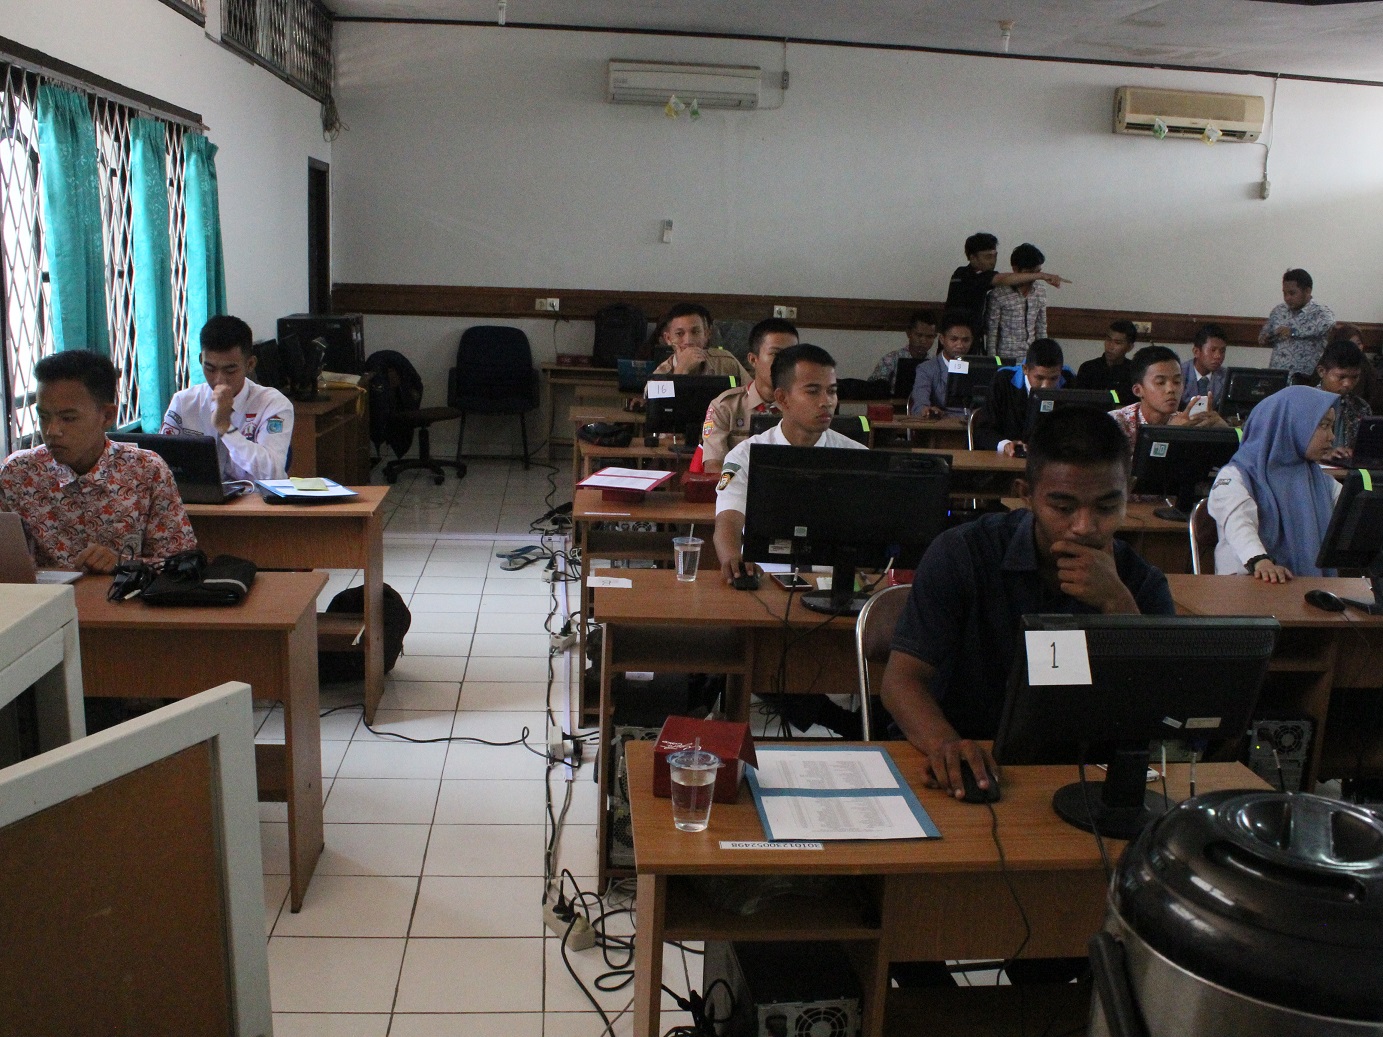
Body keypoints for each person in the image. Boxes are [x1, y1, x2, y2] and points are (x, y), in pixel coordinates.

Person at [881, 406, 1174, 796]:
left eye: (1106, 507)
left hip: (1084, 779)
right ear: (1027, 495)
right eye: (1063, 507)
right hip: (969, 759)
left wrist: (1119, 606)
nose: (1084, 526)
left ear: (1129, 492)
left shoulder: (1141, 584)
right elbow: (901, 680)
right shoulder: (964, 554)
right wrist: (946, 744)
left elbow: (1162, 711)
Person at [0, 350, 197, 573]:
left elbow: (183, 564)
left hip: (127, 594)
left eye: (68, 418)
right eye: (44, 417)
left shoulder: (146, 471)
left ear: (107, 416)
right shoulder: (17, 474)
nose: (52, 431)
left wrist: (123, 563)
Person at [713, 344, 865, 582]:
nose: (826, 402)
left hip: (833, 582)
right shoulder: (745, 456)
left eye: (832, 391)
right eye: (813, 391)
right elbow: (728, 521)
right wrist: (733, 559)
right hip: (766, 579)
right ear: (782, 398)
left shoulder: (857, 457)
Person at [1206, 385, 1341, 582]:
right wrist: (1260, 560)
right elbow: (1239, 523)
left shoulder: (1318, 478)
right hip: (1247, 583)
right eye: (1323, 425)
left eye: (1331, 426)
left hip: (1303, 586)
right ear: (1290, 425)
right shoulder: (1236, 476)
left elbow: (1352, 511)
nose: (1332, 436)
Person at [161, 315, 294, 481]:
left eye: (230, 370)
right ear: (201, 360)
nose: (219, 380)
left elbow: (273, 473)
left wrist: (225, 427)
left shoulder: (273, 404)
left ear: (250, 364)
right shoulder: (183, 402)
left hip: (254, 496)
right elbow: (161, 464)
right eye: (210, 368)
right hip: (197, 496)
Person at [698, 317, 798, 473]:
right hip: (738, 486)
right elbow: (714, 467)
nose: (785, 363)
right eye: (775, 354)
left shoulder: (803, 407)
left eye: (792, 356)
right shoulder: (725, 406)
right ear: (753, 359)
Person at [944, 232, 1067, 346]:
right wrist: (1042, 276)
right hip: (955, 340)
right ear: (972, 258)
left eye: (995, 256)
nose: (993, 262)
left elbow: (1041, 326)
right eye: (988, 257)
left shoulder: (986, 276)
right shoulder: (964, 274)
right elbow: (1005, 279)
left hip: (973, 338)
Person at [1109, 345, 1228, 462]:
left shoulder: (1187, 422)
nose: (1171, 389)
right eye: (1160, 382)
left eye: (1177, 381)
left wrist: (1225, 433)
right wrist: (1169, 435)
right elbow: (1117, 471)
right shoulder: (1115, 423)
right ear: (1138, 390)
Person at [973, 337, 1071, 455]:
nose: (1046, 386)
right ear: (1025, 369)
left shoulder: (1070, 381)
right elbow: (983, 431)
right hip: (1009, 458)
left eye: (1054, 378)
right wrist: (1005, 444)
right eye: (1039, 378)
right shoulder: (1003, 381)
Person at [1260, 269, 1335, 377]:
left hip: (1305, 378)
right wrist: (1266, 338)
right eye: (1284, 293)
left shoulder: (1321, 312)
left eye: (1292, 293)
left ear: (1308, 291)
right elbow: (1263, 336)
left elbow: (1328, 324)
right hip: (1277, 376)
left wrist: (1293, 332)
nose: (1287, 298)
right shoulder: (1278, 311)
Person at [985, 243, 1052, 362]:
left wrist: (1042, 358)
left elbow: (1041, 327)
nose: (1034, 277)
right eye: (1030, 273)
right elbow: (992, 333)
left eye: (1038, 272)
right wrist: (994, 363)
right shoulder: (998, 294)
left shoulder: (1040, 291)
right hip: (1005, 359)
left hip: (1031, 358)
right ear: (1015, 269)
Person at [650, 302, 749, 380]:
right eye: (679, 333)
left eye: (695, 332)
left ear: (707, 334)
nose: (688, 341)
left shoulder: (726, 361)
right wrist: (681, 370)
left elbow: (751, 393)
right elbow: (661, 400)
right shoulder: (659, 376)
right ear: (668, 338)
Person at [906, 312, 974, 417]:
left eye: (966, 340)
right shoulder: (926, 369)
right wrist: (928, 411)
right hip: (941, 424)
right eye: (954, 339)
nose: (960, 345)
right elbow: (919, 404)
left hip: (975, 423)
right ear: (942, 339)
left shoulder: (977, 367)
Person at [1313, 339, 1372, 460]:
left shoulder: (1361, 407)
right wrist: (1323, 455)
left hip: (1346, 469)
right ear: (1322, 371)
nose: (1347, 384)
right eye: (1341, 377)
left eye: (1355, 377)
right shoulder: (1304, 403)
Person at [1075, 320, 1138, 405]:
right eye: (1108, 340)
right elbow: (1078, 402)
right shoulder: (1088, 368)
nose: (1110, 346)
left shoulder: (1134, 372)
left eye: (1117, 343)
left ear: (1129, 347)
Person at [870, 311, 936, 384]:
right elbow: (874, 387)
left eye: (929, 337)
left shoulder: (936, 364)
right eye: (919, 335)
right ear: (909, 333)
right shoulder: (891, 359)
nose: (923, 341)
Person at [1179, 324, 1229, 410]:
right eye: (1213, 350)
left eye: (1222, 351)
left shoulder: (1227, 377)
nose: (1218, 356)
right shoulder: (1179, 374)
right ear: (1196, 352)